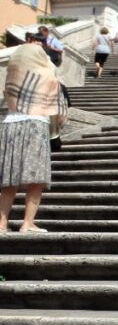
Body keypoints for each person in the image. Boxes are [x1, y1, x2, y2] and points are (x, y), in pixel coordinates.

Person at [0, 34, 67, 233]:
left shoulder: (12, 76)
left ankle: (1, 223)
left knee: (9, 179)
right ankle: (27, 223)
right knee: (36, 179)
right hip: (36, 126)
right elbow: (59, 113)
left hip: (10, 126)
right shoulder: (48, 76)